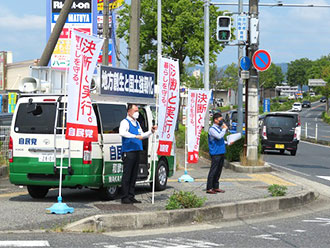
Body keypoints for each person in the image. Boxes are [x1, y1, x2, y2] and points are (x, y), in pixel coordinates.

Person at [119, 104, 157, 204]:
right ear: (129, 111)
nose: (137, 113)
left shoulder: (137, 123)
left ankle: (131, 195)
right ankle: (124, 196)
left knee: (134, 175)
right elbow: (122, 133)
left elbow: (142, 135)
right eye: (135, 111)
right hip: (128, 151)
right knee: (127, 175)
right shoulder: (125, 122)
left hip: (137, 151)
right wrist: (135, 136)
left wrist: (151, 132)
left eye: (137, 111)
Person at [206, 112, 228, 194]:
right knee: (213, 170)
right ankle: (209, 187)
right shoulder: (212, 129)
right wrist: (224, 129)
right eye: (220, 120)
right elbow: (219, 136)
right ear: (215, 120)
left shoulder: (219, 128)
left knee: (219, 170)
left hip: (221, 151)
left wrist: (227, 142)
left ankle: (216, 187)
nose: (222, 121)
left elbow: (221, 139)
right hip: (215, 153)